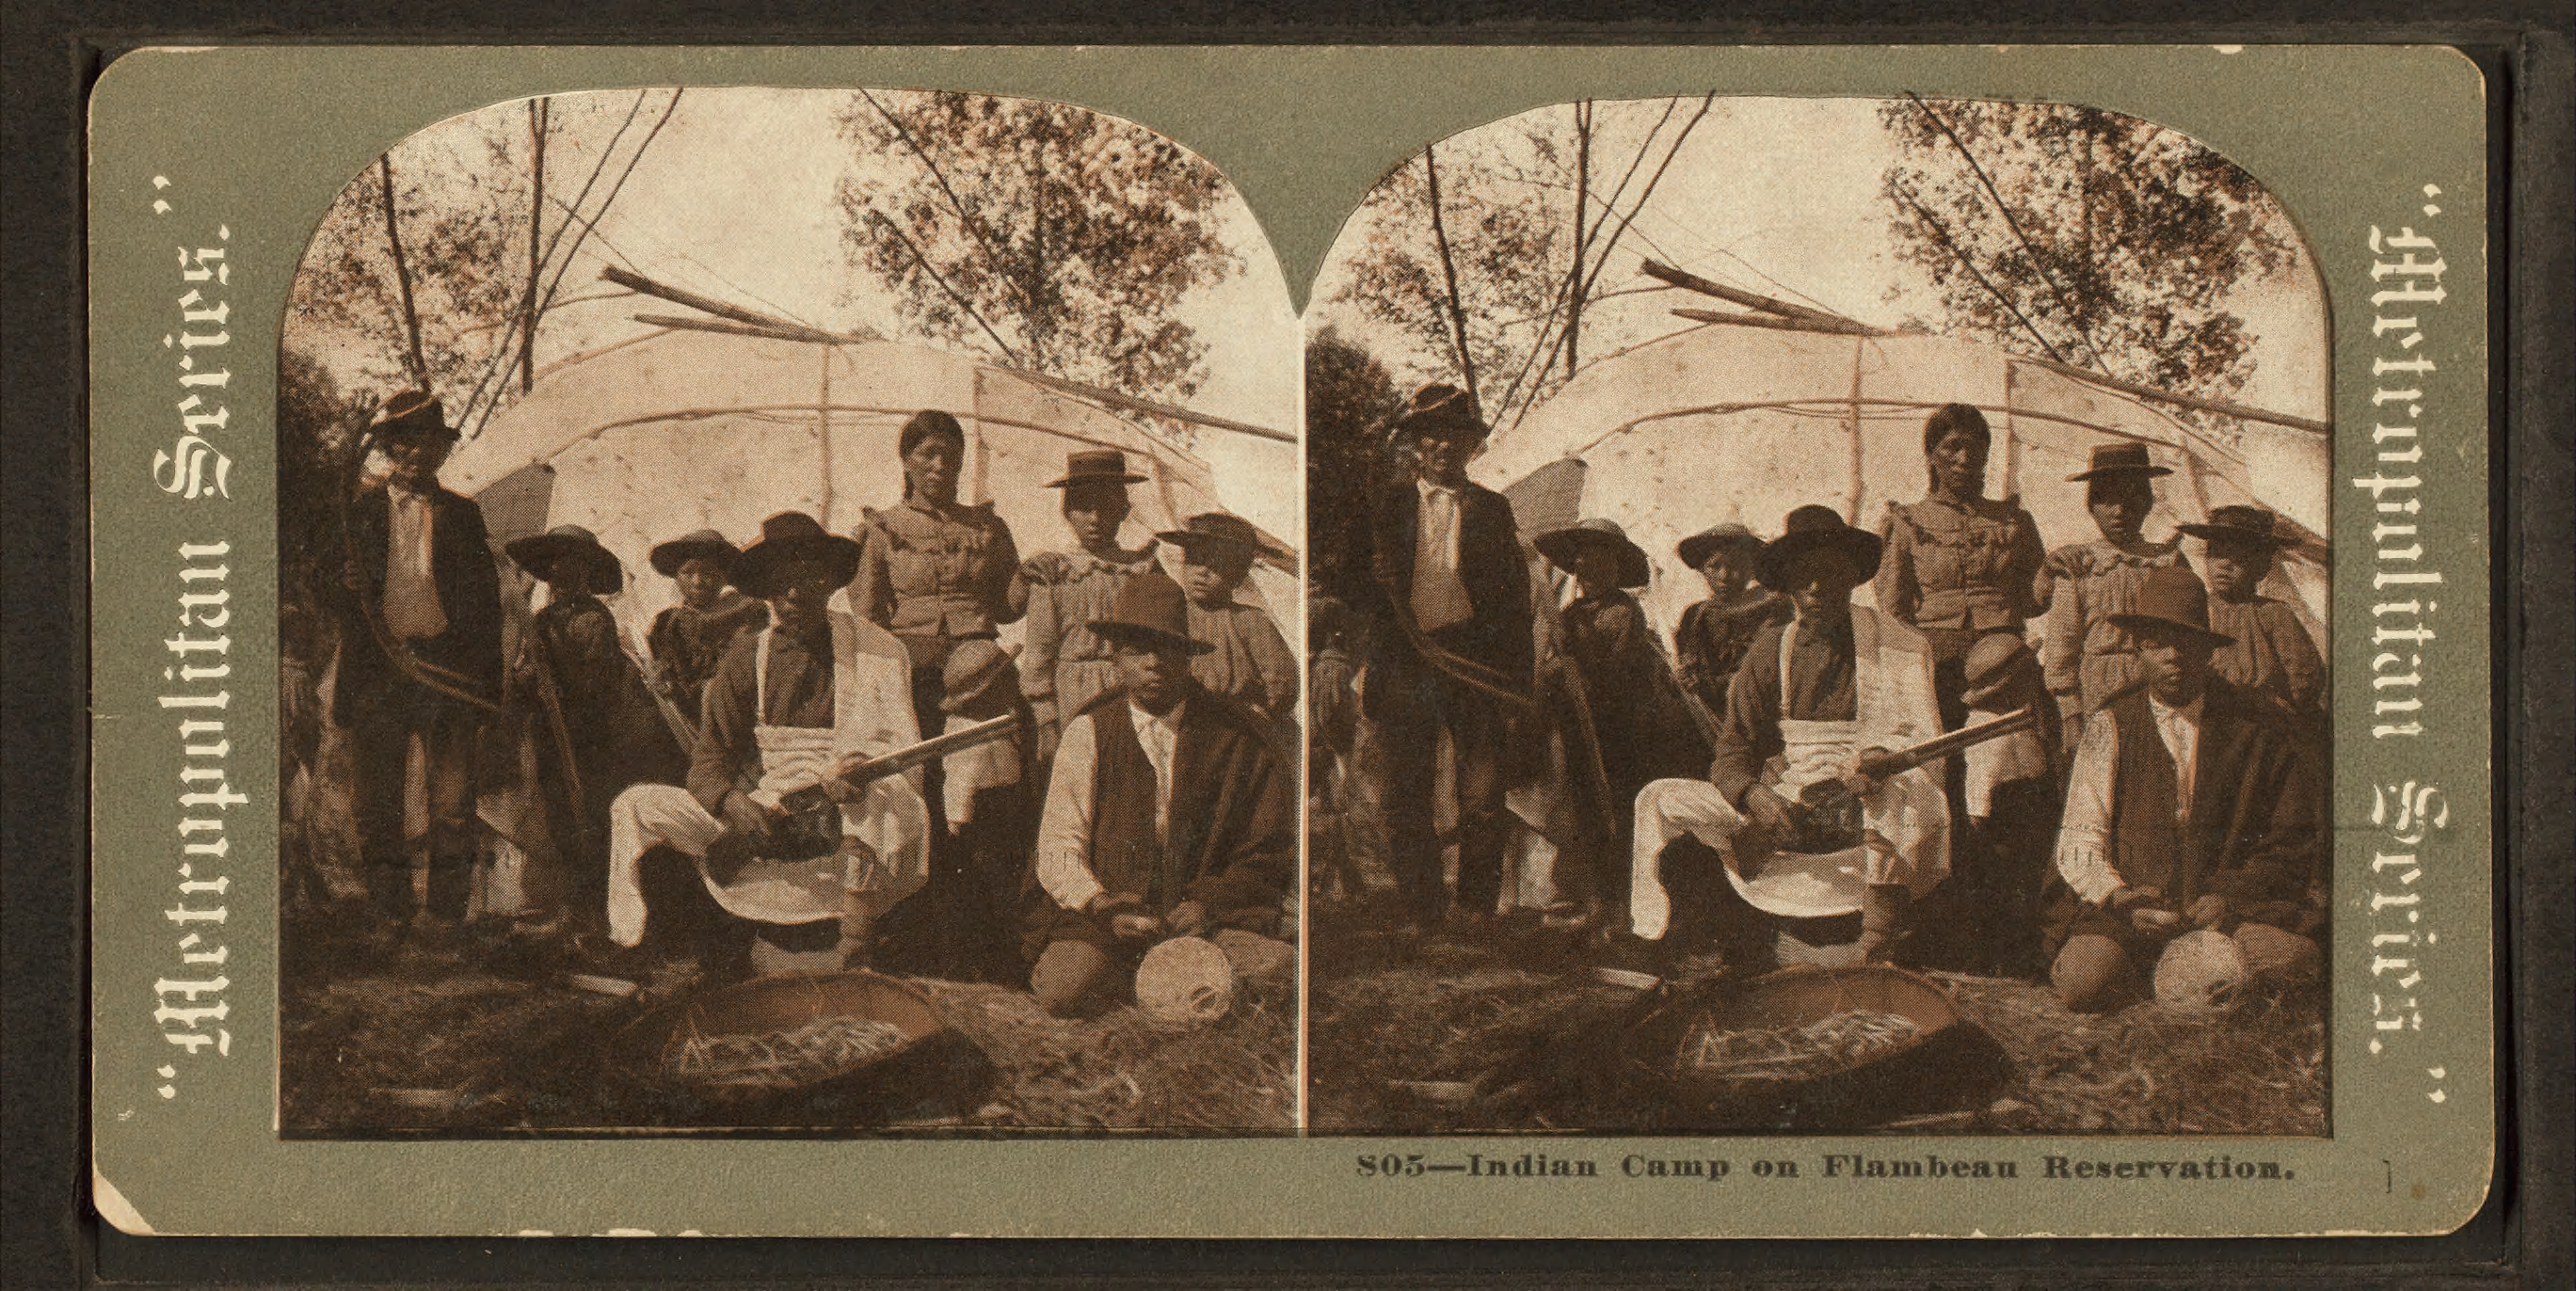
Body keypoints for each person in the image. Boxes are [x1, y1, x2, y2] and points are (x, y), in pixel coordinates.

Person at [602, 512, 932, 974]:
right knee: (635, 805)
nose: (794, 594)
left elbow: (897, 746)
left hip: (844, 795)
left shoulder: (875, 648)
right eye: (782, 582)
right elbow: (710, 758)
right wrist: (732, 801)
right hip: (767, 799)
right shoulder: (747, 654)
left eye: (808, 579)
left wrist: (856, 767)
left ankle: (856, 955)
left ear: (829, 583)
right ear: (765, 588)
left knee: (878, 795)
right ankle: (643, 946)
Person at [1624, 504, 1949, 970]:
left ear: (1853, 577)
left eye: (1832, 573)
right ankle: (1662, 939)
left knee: (1909, 792)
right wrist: (1755, 794)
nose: (1818, 588)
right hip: (1790, 798)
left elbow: (1923, 742)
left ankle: (1877, 947)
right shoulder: (1770, 647)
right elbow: (1733, 750)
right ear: (1789, 584)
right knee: (1659, 798)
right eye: (1805, 576)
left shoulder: (1899, 644)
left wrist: (1880, 758)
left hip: (1868, 796)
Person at [2042, 567, 2324, 1012]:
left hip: (2230, 912)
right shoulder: (2111, 723)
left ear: (2208, 652)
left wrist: (2229, 898)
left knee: (2296, 962)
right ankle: (2157, 977)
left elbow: (2290, 840)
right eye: (2158, 643)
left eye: (2188, 644)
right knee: (2084, 983)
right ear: (2137, 648)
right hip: (2134, 911)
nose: (2174, 656)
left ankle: (2199, 977)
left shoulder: (2254, 728)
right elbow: (2080, 835)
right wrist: (2118, 897)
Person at [1025, 568, 1297, 1017]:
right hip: (1111, 918)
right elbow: (1058, 847)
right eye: (1136, 651)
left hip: (1206, 918)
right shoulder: (1089, 730)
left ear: (1187, 657)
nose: (1152, 662)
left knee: (1282, 970)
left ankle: (1173, 978)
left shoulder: (1234, 736)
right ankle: (1144, 979)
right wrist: (1102, 904)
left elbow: (1266, 848)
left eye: (1166, 649)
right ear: (1116, 659)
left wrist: (1208, 903)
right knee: (1064, 990)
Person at [326, 390, 504, 937]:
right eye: (405, 445)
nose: (417, 455)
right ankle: (390, 911)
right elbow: (324, 586)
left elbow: (486, 606)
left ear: (441, 453)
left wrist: (484, 689)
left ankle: (445, 916)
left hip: (445, 673)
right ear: (387, 450)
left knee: (452, 804)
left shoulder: (464, 515)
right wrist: (341, 584)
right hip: (379, 669)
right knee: (377, 802)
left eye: (429, 445)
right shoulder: (356, 513)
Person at [1364, 384, 1535, 937]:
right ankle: (1422, 908)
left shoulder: (1492, 508)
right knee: (1404, 793)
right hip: (1406, 663)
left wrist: (1517, 686)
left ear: (1470, 447)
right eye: (1430, 435)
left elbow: (1514, 603)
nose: (1442, 446)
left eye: (1454, 437)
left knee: (1483, 794)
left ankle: (1476, 906)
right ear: (1415, 445)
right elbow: (1355, 587)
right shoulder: (1387, 505)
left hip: (1474, 664)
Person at [504, 524, 690, 940]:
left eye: (574, 566)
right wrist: (527, 680)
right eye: (555, 566)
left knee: (594, 824)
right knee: (561, 823)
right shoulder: (540, 620)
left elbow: (595, 685)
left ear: (587, 573)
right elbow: (527, 675)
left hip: (595, 743)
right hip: (553, 738)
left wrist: (553, 684)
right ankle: (576, 910)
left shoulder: (593, 621)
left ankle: (605, 916)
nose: (563, 574)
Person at [852, 409, 1029, 828]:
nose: (940, 466)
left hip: (978, 661)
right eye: (929, 454)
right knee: (913, 769)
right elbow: (868, 611)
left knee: (991, 767)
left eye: (951, 456)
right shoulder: (885, 527)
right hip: (911, 663)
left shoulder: (987, 526)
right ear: (906, 460)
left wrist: (1031, 575)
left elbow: (1008, 607)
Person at [1532, 517, 1711, 921]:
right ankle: (1589, 894)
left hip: (1620, 734)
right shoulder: (1573, 613)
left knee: (1613, 811)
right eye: (1582, 567)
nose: (1589, 574)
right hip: (1579, 728)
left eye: (1599, 566)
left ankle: (1618, 901)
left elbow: (1615, 675)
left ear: (1614, 570)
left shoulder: (1622, 613)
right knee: (1579, 809)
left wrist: (1575, 666)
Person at [1875, 404, 2051, 732]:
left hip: (2003, 655)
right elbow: (1893, 609)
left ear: (1986, 455)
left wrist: (2052, 574)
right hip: (1934, 658)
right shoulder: (1907, 523)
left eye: (1974, 448)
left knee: (2011, 756)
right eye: (1952, 447)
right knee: (1941, 753)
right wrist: (1915, 666)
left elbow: (2033, 602)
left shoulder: (2014, 522)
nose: (1964, 459)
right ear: (1930, 454)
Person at [2042, 442, 2192, 757]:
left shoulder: (2167, 561)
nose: (2120, 511)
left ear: (2148, 502)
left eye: (2131, 499)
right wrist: (2070, 713)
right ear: (2092, 506)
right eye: (2107, 500)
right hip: (2098, 690)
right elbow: (2062, 648)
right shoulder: (2079, 565)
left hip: (2158, 685)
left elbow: (2190, 633)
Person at [1019, 449, 1161, 761]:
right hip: (1074, 696)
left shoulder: (1141, 570)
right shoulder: (1054, 573)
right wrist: (1046, 723)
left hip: (1130, 693)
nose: (1096, 519)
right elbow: (1038, 658)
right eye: (1084, 508)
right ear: (1067, 512)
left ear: (1124, 510)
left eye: (1107, 507)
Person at [2178, 505, 2325, 721]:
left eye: (2239, 557)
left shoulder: (2273, 614)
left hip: (2265, 721)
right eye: (2217, 553)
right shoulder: (2196, 610)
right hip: (2210, 717)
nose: (2225, 565)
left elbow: (2305, 674)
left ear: (2261, 566)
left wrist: (2279, 710)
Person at [1161, 511, 1300, 727]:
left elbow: (1282, 681)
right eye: (1194, 560)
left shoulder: (1250, 621)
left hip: (1242, 726)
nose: (1202, 572)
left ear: (1238, 574)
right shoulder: (1172, 617)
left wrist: (1261, 714)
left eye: (1215, 564)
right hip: (1185, 724)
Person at [644, 528, 765, 730]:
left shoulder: (745, 611)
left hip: (739, 718)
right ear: (676, 576)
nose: (698, 581)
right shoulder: (667, 624)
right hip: (689, 721)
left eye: (708, 573)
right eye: (688, 572)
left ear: (723, 576)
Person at [1671, 522, 1789, 720]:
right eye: (1714, 566)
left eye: (1735, 565)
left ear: (1752, 569)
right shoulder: (1695, 615)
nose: (1724, 576)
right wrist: (1685, 676)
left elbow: (1763, 672)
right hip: (1704, 717)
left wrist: (1708, 687)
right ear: (1702, 570)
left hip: (1755, 716)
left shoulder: (1771, 610)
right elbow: (1687, 660)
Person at [1304, 596, 1365, 904]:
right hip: (1330, 749)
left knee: (1335, 817)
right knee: (1334, 817)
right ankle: (1338, 881)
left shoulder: (1328, 668)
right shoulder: (1331, 666)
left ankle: (1340, 882)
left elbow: (1330, 718)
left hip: (1329, 750)